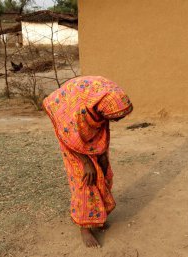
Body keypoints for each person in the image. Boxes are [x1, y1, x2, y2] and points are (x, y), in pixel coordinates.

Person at [43, 76, 133, 247]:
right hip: (68, 128)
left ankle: (98, 215)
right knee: (84, 180)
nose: (117, 121)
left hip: (86, 113)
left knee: (103, 171)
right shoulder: (74, 113)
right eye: (116, 117)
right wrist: (86, 162)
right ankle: (84, 227)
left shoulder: (103, 100)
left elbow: (102, 126)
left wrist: (102, 156)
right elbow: (68, 137)